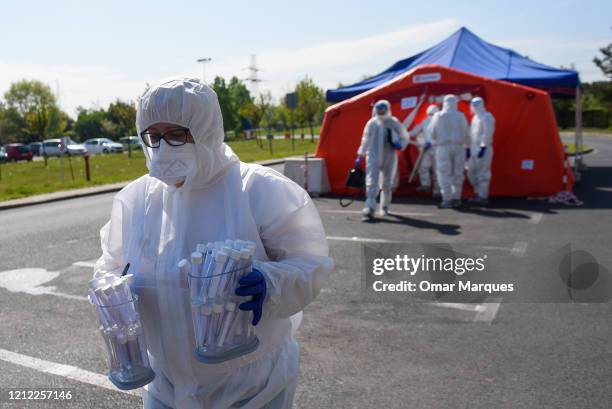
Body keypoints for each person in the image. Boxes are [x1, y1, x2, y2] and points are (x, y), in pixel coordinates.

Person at [93, 78, 334, 409]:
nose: (163, 148)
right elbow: (110, 263)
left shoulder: (257, 190)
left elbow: (311, 264)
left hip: (250, 387)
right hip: (165, 386)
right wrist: (111, 291)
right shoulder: (136, 199)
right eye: (153, 136)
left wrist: (271, 282)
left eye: (177, 134)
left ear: (206, 129)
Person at [355, 100, 409, 219]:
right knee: (371, 182)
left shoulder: (393, 122)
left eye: (383, 108)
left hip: (389, 156)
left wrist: (400, 145)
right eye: (379, 108)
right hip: (373, 156)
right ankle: (370, 207)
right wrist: (361, 153)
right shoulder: (372, 123)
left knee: (387, 183)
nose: (381, 111)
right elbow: (365, 139)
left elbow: (404, 136)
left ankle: (384, 206)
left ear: (387, 109)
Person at [428, 94, 470, 208]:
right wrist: (467, 145)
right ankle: (457, 198)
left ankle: (447, 199)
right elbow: (466, 132)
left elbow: (432, 132)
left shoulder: (438, 115)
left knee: (443, 173)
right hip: (459, 147)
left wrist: (435, 140)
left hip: (443, 147)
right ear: (455, 103)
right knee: (458, 173)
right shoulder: (461, 116)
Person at [467, 97, 496, 204]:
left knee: (483, 173)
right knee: (471, 172)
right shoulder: (475, 118)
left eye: (477, 105)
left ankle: (482, 196)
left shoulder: (487, 117)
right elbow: (471, 134)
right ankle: (476, 193)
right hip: (474, 149)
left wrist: (484, 146)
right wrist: (468, 148)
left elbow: (488, 132)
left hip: (484, 149)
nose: (475, 107)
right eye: (473, 105)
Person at [407, 104, 440, 195]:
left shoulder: (441, 122)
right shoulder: (425, 122)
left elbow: (443, 136)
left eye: (432, 114)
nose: (431, 116)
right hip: (426, 149)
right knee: (423, 167)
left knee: (437, 169)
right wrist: (404, 135)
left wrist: (432, 143)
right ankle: (426, 185)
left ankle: (437, 190)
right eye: (429, 114)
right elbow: (415, 131)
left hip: (438, 150)